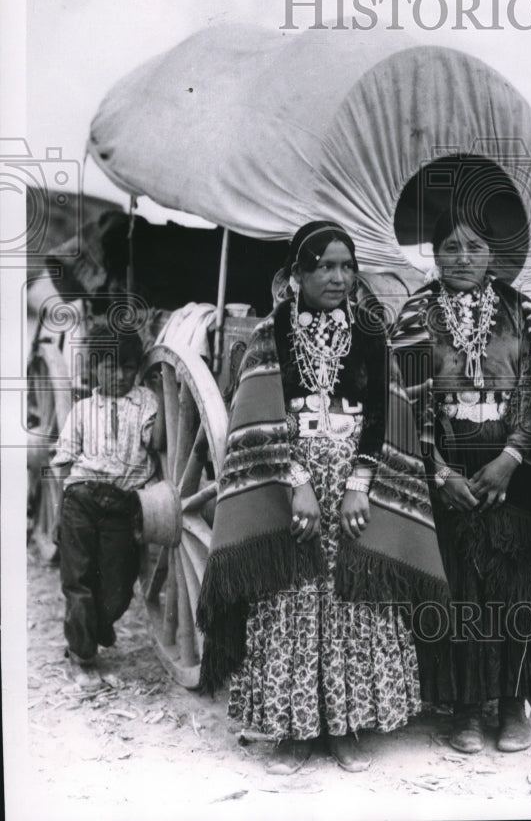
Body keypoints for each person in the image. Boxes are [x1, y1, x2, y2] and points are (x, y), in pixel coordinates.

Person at [196, 221, 447, 775]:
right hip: (290, 486)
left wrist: (360, 484)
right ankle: (293, 732)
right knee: (291, 597)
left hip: (357, 485)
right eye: (325, 266)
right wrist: (298, 482)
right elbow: (258, 416)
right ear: (298, 274)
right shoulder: (272, 333)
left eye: (347, 267)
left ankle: (347, 727)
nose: (338, 277)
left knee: (356, 599)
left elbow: (382, 415)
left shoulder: (369, 331)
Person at [391, 209, 531, 754]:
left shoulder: (523, 312)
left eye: (474, 247)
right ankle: (466, 709)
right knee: (459, 587)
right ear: (435, 254)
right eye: (450, 247)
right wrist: (439, 472)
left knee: (517, 585)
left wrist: (512, 458)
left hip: (515, 471)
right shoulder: (416, 314)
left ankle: (515, 705)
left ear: (493, 255)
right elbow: (400, 404)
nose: (462, 258)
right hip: (445, 475)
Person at [51, 324, 160, 691]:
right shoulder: (82, 410)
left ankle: (96, 627)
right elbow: (65, 464)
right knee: (78, 579)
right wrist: (59, 514)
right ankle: (82, 657)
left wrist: (167, 401)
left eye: (128, 367)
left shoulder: (146, 402)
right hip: (80, 499)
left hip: (121, 504)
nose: (120, 375)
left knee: (118, 586)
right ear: (94, 368)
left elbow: (158, 440)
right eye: (111, 367)